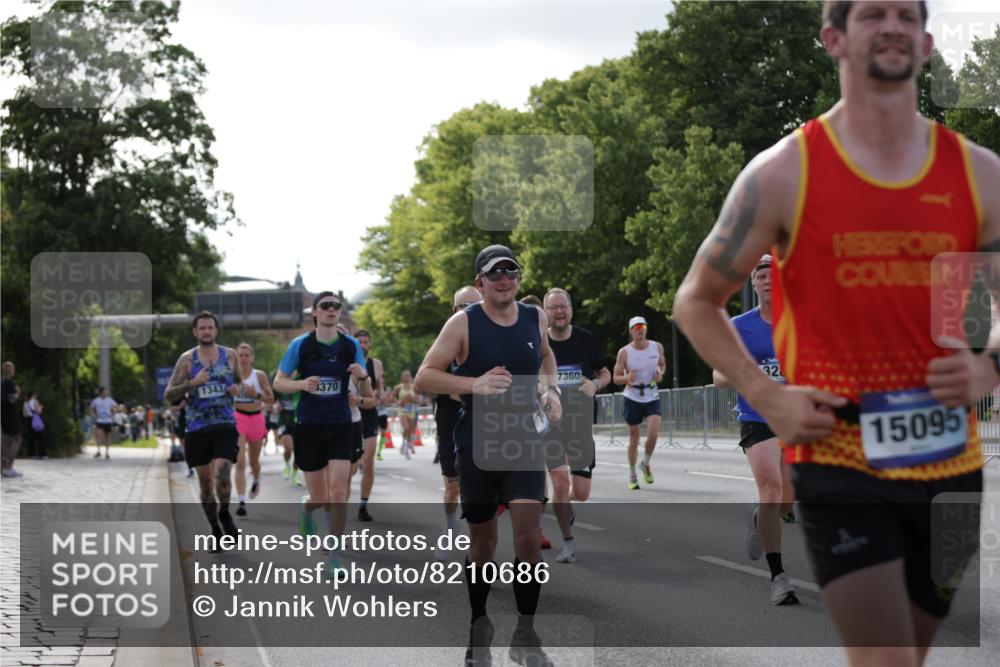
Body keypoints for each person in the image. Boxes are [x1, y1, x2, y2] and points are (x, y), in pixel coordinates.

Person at [673, 2, 999, 663]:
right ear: (833, 39)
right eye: (872, 13)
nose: (892, 25)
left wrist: (991, 363)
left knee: (913, 653)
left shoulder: (979, 173)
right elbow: (697, 299)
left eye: (906, 15)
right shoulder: (783, 172)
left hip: (953, 466)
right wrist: (766, 395)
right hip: (840, 457)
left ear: (927, 41)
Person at [416, 244, 561, 667]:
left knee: (528, 538)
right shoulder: (462, 323)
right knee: (483, 542)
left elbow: (547, 356)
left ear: (518, 279)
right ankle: (479, 627)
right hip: (477, 440)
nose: (504, 279)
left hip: (523, 440)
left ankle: (525, 633)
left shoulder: (535, 317)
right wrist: (473, 384)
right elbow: (427, 376)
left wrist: (550, 389)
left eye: (510, 271)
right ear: (480, 282)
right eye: (494, 273)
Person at [712, 255, 798, 605]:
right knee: (771, 489)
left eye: (774, 274)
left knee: (786, 502)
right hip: (756, 417)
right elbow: (717, 378)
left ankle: (759, 518)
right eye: (761, 276)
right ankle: (778, 577)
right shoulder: (739, 326)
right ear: (754, 284)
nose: (767, 280)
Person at [272, 291, 371, 574]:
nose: (331, 310)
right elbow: (280, 382)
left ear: (339, 312)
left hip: (341, 425)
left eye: (336, 306)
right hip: (309, 426)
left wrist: (361, 375)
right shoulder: (300, 345)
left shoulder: (350, 345)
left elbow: (364, 384)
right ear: (314, 312)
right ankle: (307, 508)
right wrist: (302, 385)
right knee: (321, 498)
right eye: (325, 306)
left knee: (339, 493)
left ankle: (335, 557)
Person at [543, 287, 611, 564]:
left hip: (581, 424)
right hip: (551, 424)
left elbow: (605, 373)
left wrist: (595, 384)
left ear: (571, 310)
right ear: (546, 312)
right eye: (553, 307)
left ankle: (565, 506)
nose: (559, 311)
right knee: (560, 483)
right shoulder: (539, 343)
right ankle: (568, 542)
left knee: (580, 493)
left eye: (563, 306)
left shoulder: (585, 339)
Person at [164, 311, 242, 546]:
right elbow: (169, 394)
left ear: (216, 330)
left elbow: (237, 381)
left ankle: (225, 512)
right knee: (206, 486)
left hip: (225, 425)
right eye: (202, 328)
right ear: (195, 332)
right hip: (197, 428)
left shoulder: (230, 356)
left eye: (210, 327)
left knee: (223, 474)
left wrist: (235, 389)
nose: (207, 331)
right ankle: (215, 529)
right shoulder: (187, 360)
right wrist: (192, 384)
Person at [432, 285, 483, 561]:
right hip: (451, 423)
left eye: (474, 305)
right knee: (453, 488)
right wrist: (471, 388)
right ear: (454, 311)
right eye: (463, 306)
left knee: (481, 490)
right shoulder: (447, 341)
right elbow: (431, 379)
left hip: (485, 423)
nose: (469, 311)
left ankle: (480, 545)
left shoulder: (493, 339)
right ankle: (451, 526)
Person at [613, 316, 666, 490]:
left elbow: (662, 365)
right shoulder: (624, 352)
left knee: (653, 433)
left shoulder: (656, 347)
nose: (639, 330)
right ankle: (632, 474)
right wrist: (626, 378)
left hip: (651, 394)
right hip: (632, 396)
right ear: (631, 331)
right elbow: (616, 378)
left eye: (642, 326)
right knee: (634, 438)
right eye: (636, 328)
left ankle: (646, 463)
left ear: (646, 328)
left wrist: (660, 373)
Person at [233, 343, 274, 517]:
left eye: (246, 355)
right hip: (238, 418)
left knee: (254, 461)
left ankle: (256, 479)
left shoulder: (259, 375)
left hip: (256, 418)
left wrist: (255, 395)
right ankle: (241, 501)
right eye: (240, 355)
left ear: (252, 357)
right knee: (240, 461)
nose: (243, 358)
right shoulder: (231, 375)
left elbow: (271, 399)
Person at [351, 330, 384, 522]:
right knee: (352, 467)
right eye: (359, 342)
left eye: (366, 342)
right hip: (348, 416)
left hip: (369, 414)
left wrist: (379, 397)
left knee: (369, 461)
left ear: (370, 345)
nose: (363, 345)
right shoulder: (348, 364)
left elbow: (379, 391)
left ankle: (363, 505)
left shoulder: (376, 365)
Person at [392, 370, 420, 459]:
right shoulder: (398, 387)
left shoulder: (414, 387)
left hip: (411, 410)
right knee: (406, 428)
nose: (406, 377)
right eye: (405, 376)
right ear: (402, 377)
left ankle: (406, 447)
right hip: (402, 410)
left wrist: (413, 399)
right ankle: (404, 446)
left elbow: (418, 400)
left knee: (410, 430)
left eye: (408, 375)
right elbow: (392, 397)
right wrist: (398, 402)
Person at [1, 362, 22, 478]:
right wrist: (17, 393)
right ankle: (8, 467)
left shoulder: (1, 382)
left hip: (3, 417)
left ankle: (3, 467)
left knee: (5, 442)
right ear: (10, 371)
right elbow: (10, 400)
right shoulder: (9, 383)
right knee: (17, 439)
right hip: (11, 417)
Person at [90, 387, 118, 459]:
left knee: (107, 437)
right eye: (104, 391)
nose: (106, 393)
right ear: (101, 392)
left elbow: (115, 406)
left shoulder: (109, 400)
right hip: (99, 420)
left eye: (106, 391)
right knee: (99, 435)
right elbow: (92, 408)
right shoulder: (96, 400)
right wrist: (95, 415)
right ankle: (98, 451)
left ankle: (107, 453)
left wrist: (112, 413)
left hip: (108, 421)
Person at [22, 390, 47, 459]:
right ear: (32, 395)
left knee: (31, 438)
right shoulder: (35, 401)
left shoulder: (25, 403)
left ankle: (31, 454)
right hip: (36, 420)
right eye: (35, 395)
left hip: (29, 421)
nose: (36, 396)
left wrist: (30, 414)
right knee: (40, 437)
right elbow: (38, 412)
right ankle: (42, 454)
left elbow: (24, 414)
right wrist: (41, 407)